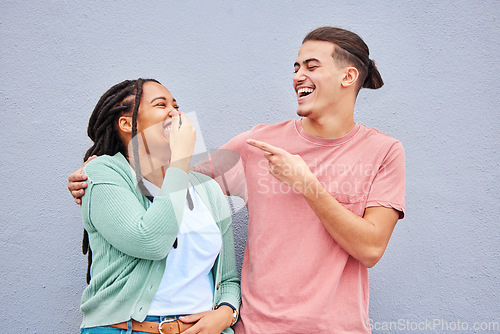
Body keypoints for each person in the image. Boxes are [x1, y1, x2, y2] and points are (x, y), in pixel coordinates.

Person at [69, 27, 405, 333]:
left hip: (337, 328)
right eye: (296, 67)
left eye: (311, 66)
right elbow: (171, 188)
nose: (297, 76)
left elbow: (371, 248)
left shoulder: (383, 151)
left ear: (349, 76)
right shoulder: (255, 145)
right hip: (256, 328)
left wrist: (306, 184)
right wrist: (98, 174)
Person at [76, 78, 240, 334]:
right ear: (127, 123)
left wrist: (226, 312)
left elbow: (228, 278)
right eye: (161, 105)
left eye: (176, 105)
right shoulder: (104, 173)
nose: (175, 113)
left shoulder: (208, 190)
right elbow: (150, 242)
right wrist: (180, 158)